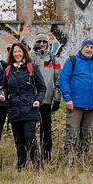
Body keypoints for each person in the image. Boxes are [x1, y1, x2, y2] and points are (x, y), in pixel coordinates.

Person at [0, 42, 47, 170]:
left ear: (24, 52)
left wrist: (38, 100)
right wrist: (2, 94)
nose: (17, 54)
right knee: (19, 141)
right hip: (14, 110)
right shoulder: (8, 70)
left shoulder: (31, 68)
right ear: (12, 54)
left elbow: (42, 87)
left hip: (29, 109)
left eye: (19, 51)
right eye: (15, 52)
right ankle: (22, 167)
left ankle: (38, 167)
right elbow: (4, 87)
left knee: (29, 138)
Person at [58, 39, 93, 166]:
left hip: (91, 107)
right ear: (82, 48)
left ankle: (81, 161)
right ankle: (69, 162)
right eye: (86, 47)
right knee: (72, 134)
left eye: (91, 47)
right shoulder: (73, 61)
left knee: (87, 135)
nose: (89, 49)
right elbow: (63, 80)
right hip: (75, 105)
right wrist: (67, 98)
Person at [30, 33, 62, 162]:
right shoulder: (31, 59)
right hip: (32, 100)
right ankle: (32, 155)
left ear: (48, 44)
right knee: (31, 129)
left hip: (47, 100)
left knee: (46, 130)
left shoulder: (54, 60)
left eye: (44, 42)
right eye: (39, 42)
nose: (42, 44)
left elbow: (58, 81)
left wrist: (57, 99)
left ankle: (46, 156)